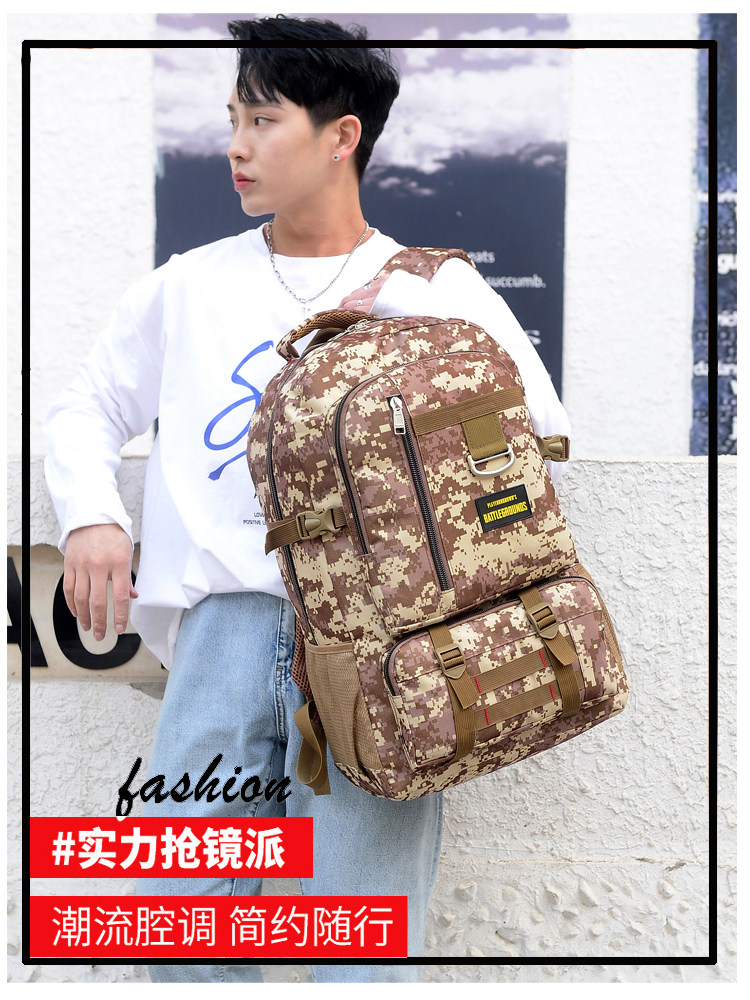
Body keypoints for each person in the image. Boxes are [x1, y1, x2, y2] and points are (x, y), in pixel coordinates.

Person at [44, 15, 570, 984]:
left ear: (341, 136)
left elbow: (535, 437)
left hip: (382, 643)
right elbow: (87, 406)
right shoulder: (190, 287)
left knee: (363, 948)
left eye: (262, 120)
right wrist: (91, 514)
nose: (236, 146)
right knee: (180, 933)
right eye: (232, 119)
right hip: (225, 629)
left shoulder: (436, 288)